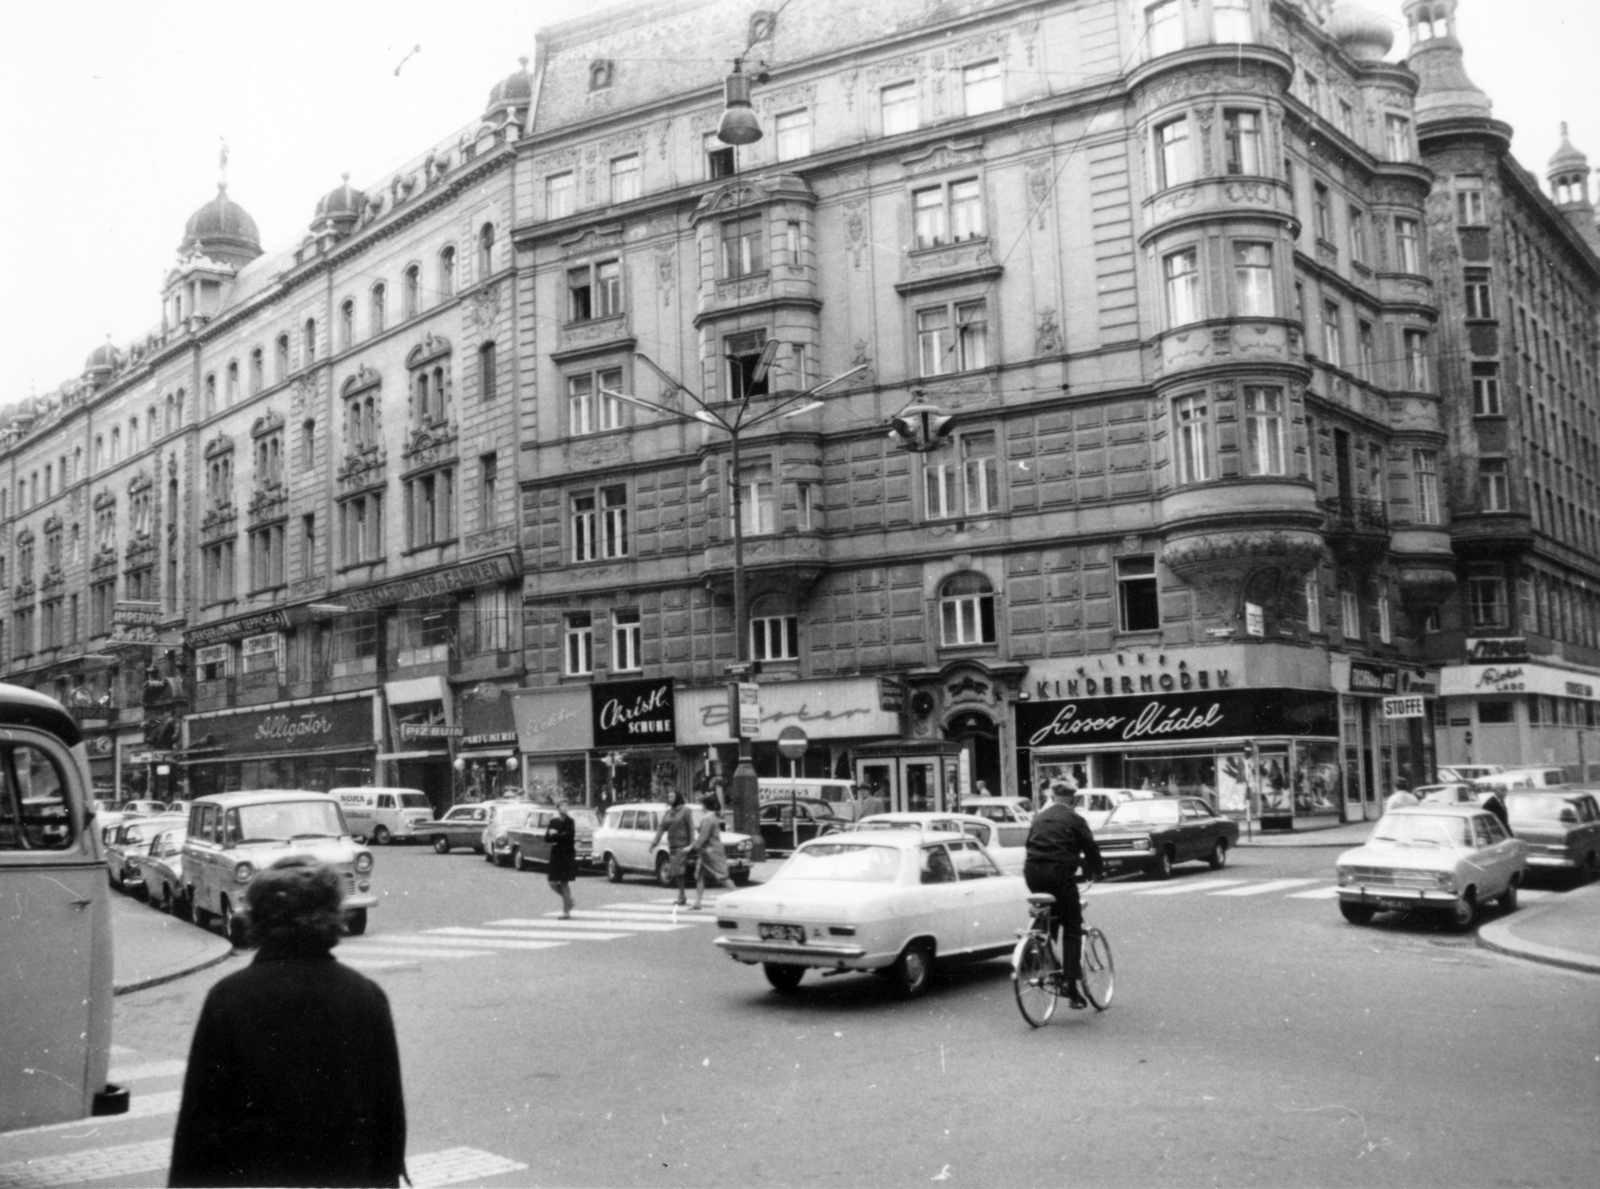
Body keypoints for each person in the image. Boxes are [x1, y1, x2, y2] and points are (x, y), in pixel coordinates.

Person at [169, 856, 407, 1188]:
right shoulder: (366, 998)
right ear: (333, 916)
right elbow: (388, 1120)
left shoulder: (227, 999)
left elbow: (199, 1125)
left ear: (258, 917)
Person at [1022, 780, 1103, 1011]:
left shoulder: (1038, 817)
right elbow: (1091, 849)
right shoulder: (1075, 819)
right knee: (1072, 926)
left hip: (1033, 873)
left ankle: (1049, 961)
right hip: (1059, 875)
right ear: (1071, 799)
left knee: (1047, 924)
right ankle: (1068, 979)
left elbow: (1029, 845)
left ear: (1053, 797)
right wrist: (1097, 871)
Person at [688, 794, 736, 910]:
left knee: (722, 877)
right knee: (700, 875)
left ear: (705, 805)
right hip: (707, 852)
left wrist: (691, 848)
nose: (700, 807)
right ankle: (697, 902)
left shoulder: (708, 818)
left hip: (712, 852)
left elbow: (703, 836)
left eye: (701, 804)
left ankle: (740, 897)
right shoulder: (711, 817)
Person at [650, 790, 696, 906]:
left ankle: (682, 896)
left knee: (679, 871)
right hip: (672, 845)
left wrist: (691, 844)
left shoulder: (685, 810)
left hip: (683, 845)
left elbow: (691, 827)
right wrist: (654, 843)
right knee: (676, 871)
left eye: (672, 796)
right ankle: (682, 895)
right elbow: (661, 828)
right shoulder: (668, 812)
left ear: (678, 797)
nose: (669, 798)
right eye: (668, 796)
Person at [544, 800, 578, 918]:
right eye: (562, 805)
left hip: (567, 854)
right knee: (552, 882)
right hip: (556, 854)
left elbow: (568, 837)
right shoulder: (553, 821)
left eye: (567, 805)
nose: (565, 807)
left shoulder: (570, 822)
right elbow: (547, 838)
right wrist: (557, 835)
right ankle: (569, 900)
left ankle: (566, 912)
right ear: (557, 808)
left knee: (564, 883)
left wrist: (555, 835)